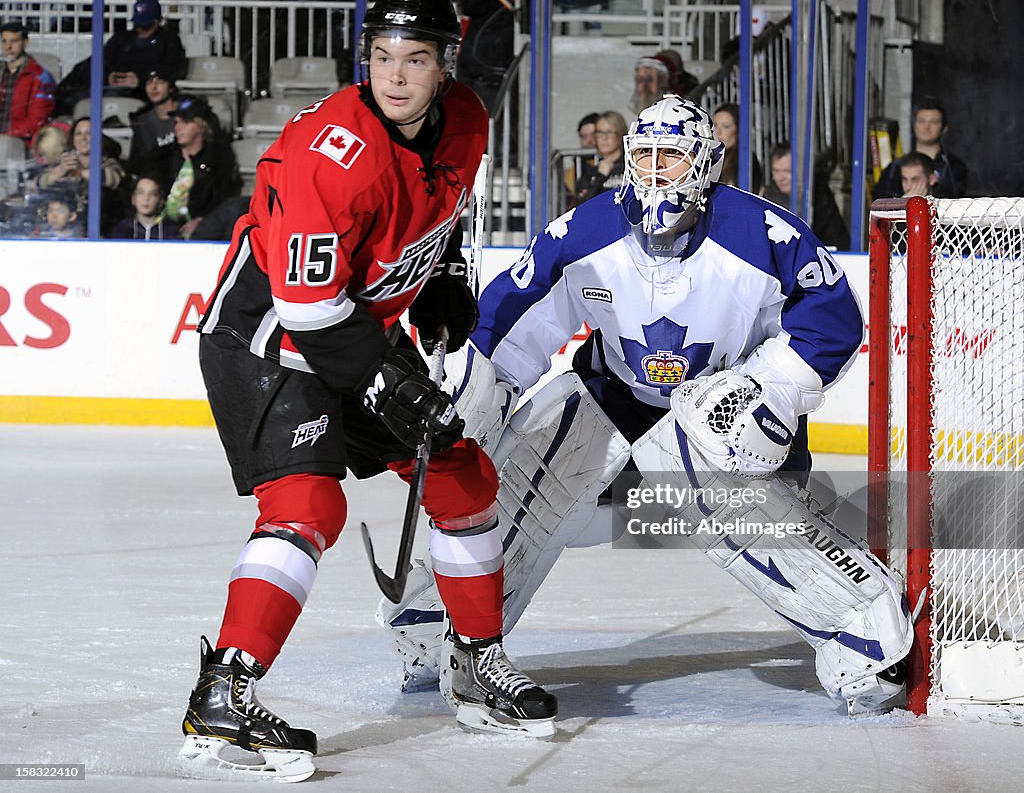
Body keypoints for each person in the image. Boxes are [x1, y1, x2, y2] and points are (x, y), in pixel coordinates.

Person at [379, 95, 913, 721]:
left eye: (673, 157)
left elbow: (832, 322)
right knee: (526, 467)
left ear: (706, 164)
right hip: (615, 396)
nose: (656, 172)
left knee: (711, 467)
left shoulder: (763, 235)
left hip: (724, 405)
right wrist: (477, 388)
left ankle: (865, 632)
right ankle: (437, 622)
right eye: (644, 156)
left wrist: (768, 389)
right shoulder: (585, 232)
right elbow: (510, 320)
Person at [178, 0, 557, 782]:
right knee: (310, 504)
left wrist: (446, 276)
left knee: (461, 476)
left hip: (356, 332)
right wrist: (388, 382)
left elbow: (444, 208)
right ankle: (224, 693)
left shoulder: (467, 120)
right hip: (268, 343)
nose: (395, 75)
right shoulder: (325, 154)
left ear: (445, 66)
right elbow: (306, 308)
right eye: (381, 56)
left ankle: (476, 665)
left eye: (415, 58)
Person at [139, 95, 240, 239]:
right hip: (160, 226)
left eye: (184, 122)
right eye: (176, 122)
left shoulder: (219, 157)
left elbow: (224, 197)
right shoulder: (162, 156)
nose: (177, 128)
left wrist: (201, 219)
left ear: (201, 125)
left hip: (203, 227)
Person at [38, 116, 128, 235]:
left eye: (89, 133)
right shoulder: (64, 162)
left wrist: (81, 171)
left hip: (100, 228)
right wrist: (61, 170)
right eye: (78, 134)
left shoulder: (108, 162)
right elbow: (40, 183)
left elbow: (114, 179)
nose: (83, 139)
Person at [457, 0, 516, 113]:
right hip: (469, 55)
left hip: (488, 60)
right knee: (464, 109)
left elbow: (508, 10)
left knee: (485, 113)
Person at [872, 99, 967, 199]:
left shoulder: (954, 167)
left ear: (944, 128)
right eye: (921, 121)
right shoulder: (895, 167)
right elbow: (880, 204)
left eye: (933, 122)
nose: (926, 127)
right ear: (914, 125)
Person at [762, 141, 849, 250]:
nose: (780, 177)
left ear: (801, 171)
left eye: (787, 171)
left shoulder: (819, 198)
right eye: (776, 171)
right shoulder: (766, 198)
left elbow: (837, 241)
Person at [103, 0, 187, 97]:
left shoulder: (169, 41)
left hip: (148, 93)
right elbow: (102, 62)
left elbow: (172, 70)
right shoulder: (121, 39)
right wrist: (108, 76)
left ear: (159, 21)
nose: (141, 29)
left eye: (146, 25)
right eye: (138, 25)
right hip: (114, 89)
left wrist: (141, 80)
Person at [0, 21, 55, 144]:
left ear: (25, 43)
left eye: (14, 41)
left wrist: (7, 133)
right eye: (4, 41)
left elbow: (37, 121)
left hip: (21, 143)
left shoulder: (41, 77)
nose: (8, 47)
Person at [127, 64, 179, 171]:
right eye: (149, 82)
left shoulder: (187, 115)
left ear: (171, 87)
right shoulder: (141, 122)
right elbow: (136, 164)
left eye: (160, 81)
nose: (154, 87)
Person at [573, 109, 627, 205]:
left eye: (609, 132)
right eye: (599, 132)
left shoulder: (632, 167)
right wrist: (600, 176)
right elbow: (583, 207)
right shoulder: (590, 172)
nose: (604, 137)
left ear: (620, 134)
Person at [713, 101, 763, 191]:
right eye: (715, 126)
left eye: (726, 126)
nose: (718, 132)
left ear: (739, 130)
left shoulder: (747, 160)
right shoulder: (708, 158)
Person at [109, 174, 177, 240]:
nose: (146, 198)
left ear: (161, 201)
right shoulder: (122, 229)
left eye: (153, 194)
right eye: (141, 192)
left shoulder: (171, 230)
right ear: (133, 199)